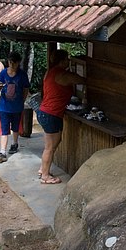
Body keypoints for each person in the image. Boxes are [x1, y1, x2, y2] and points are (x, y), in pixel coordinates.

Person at [37, 49, 85, 184]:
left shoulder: (50, 72)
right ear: (62, 61)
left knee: (55, 142)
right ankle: (45, 176)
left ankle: (43, 169)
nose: (69, 61)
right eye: (67, 59)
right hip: (51, 113)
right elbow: (82, 80)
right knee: (50, 147)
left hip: (48, 112)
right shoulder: (63, 75)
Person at [0, 51, 31, 162]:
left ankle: (15, 143)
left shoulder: (22, 74)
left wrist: (22, 101)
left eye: (14, 62)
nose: (12, 65)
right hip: (4, 106)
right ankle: (2, 151)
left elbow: (25, 89)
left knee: (15, 127)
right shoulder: (3, 73)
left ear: (18, 63)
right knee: (4, 129)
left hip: (17, 106)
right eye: (10, 62)